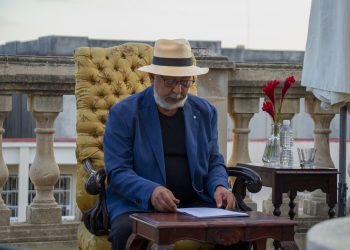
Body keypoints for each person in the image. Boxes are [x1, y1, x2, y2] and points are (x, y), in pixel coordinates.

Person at [104, 39, 248, 250]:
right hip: (138, 206)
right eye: (170, 82)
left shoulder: (205, 112)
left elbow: (213, 161)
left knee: (239, 232)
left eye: (185, 82)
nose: (178, 90)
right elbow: (117, 172)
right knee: (126, 233)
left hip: (196, 204)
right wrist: (151, 191)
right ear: (152, 77)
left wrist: (219, 186)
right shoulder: (124, 113)